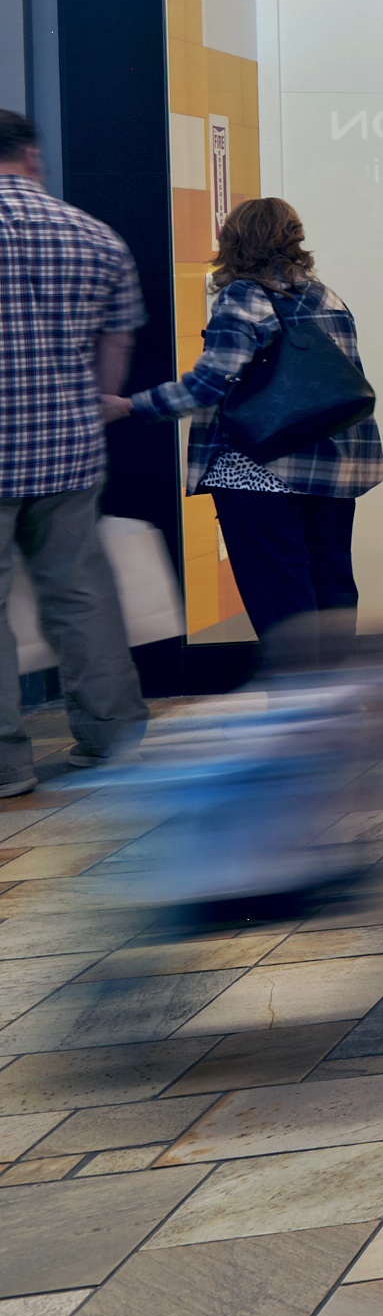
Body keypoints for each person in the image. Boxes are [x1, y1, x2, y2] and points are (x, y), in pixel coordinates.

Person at [107, 198, 381, 660]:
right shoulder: (325, 294)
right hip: (335, 467)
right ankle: (336, 697)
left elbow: (210, 382)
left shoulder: (242, 297)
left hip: (260, 469)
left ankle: (298, 711)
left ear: (232, 240)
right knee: (331, 586)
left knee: (281, 596)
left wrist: (132, 405)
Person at [0, 112, 145, 801]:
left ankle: (7, 765)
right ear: (29, 153)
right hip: (68, 447)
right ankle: (111, 737)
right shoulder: (94, 235)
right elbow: (116, 343)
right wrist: (95, 399)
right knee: (81, 594)